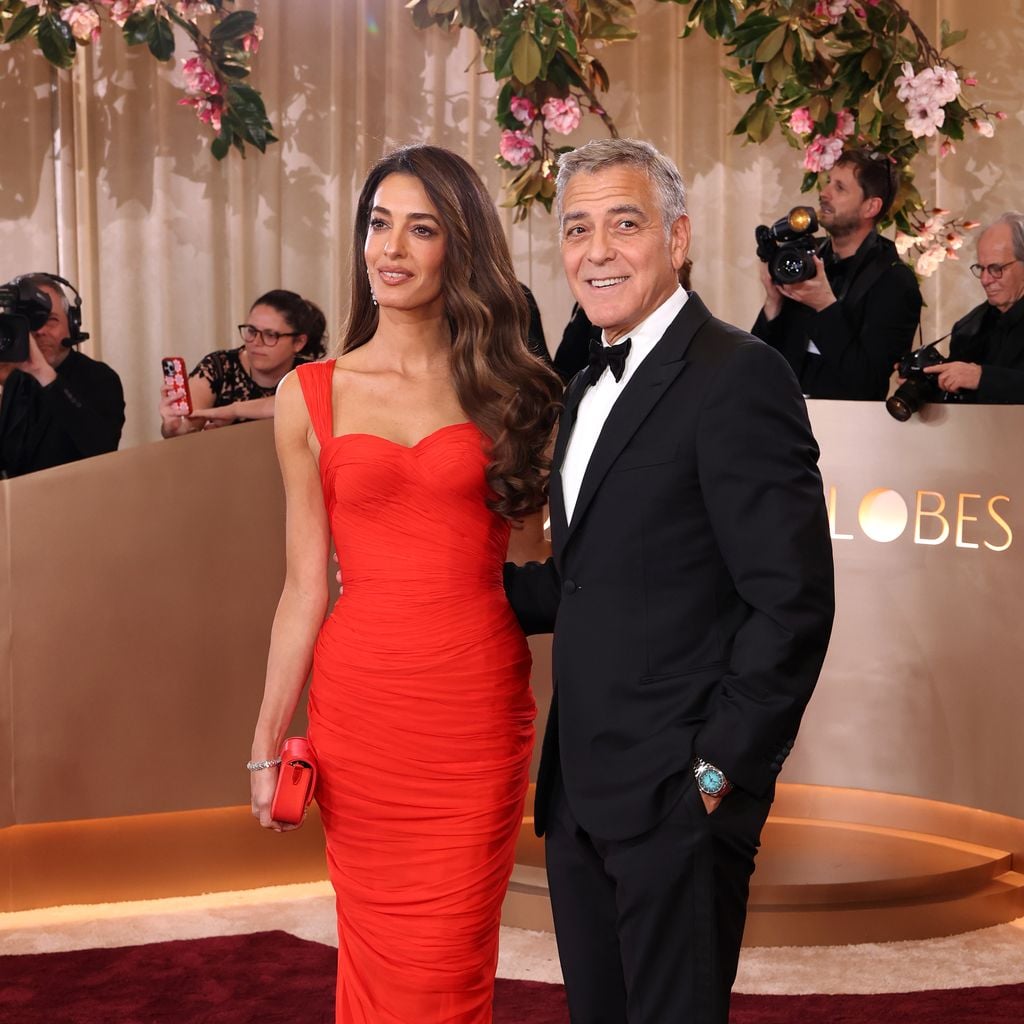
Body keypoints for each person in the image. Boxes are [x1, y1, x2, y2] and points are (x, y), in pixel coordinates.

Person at [503, 138, 835, 1024]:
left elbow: (793, 603)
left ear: (677, 238)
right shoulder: (583, 387)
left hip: (681, 800)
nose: (597, 251)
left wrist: (717, 778)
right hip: (579, 793)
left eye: (625, 224)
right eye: (578, 229)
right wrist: (448, 585)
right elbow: (590, 578)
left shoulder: (739, 374)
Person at [247, 144, 561, 1023]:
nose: (390, 248)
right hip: (362, 717)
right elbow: (303, 586)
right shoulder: (309, 393)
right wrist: (267, 743)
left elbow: (551, 555)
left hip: (475, 714)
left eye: (420, 229)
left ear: (460, 246)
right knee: (379, 962)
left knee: (449, 968)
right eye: (378, 224)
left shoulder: (514, 389)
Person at [752, 149, 922, 400]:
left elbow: (867, 383)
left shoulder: (895, 281)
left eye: (840, 188)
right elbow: (757, 365)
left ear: (871, 206)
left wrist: (825, 307)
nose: (824, 193)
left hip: (846, 420)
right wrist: (773, 303)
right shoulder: (806, 260)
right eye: (828, 182)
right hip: (785, 414)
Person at [0, 273, 124, 479]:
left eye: (50, 320)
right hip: (22, 498)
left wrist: (43, 372)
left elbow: (103, 449)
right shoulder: (16, 380)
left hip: (77, 496)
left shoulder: (100, 377)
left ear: (72, 324)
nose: (39, 330)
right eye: (30, 322)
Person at [159, 289, 326, 437]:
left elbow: (298, 401)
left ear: (298, 342)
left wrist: (234, 410)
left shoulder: (309, 373)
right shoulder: (218, 366)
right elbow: (189, 425)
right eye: (252, 331)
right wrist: (174, 428)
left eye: (270, 335)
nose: (256, 342)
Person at [922, 212, 1024, 402]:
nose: (985, 280)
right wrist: (928, 383)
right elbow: (958, 399)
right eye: (981, 268)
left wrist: (983, 378)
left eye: (996, 268)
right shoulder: (968, 328)